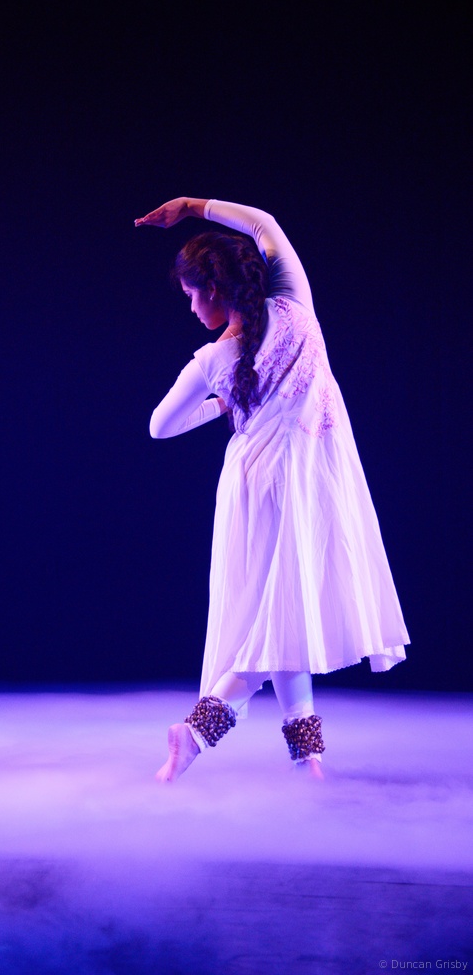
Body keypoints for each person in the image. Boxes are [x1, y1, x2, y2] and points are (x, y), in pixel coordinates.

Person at [134, 197, 410, 781]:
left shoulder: (214, 359)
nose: (190, 307)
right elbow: (265, 224)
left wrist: (219, 406)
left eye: (191, 295)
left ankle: (306, 756)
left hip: (259, 485)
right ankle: (197, 733)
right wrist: (193, 207)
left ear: (213, 289)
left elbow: (159, 426)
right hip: (300, 481)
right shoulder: (295, 305)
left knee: (286, 610)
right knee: (280, 614)